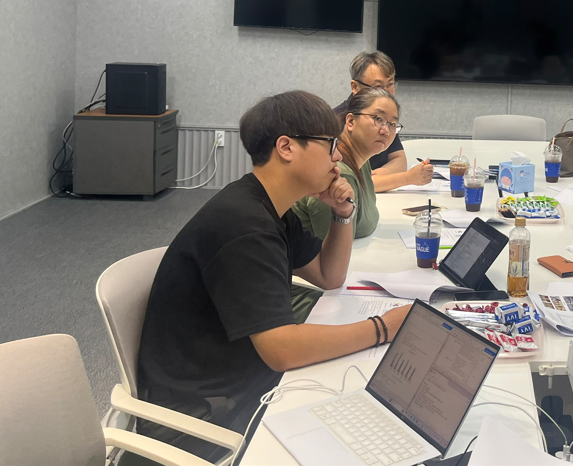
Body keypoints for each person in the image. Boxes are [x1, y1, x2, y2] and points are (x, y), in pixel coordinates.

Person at [131, 91, 412, 462]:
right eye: (330, 145)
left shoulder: (270, 207)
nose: (338, 156)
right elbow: (282, 351)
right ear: (286, 147)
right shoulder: (244, 225)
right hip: (204, 413)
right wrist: (384, 327)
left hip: (240, 374)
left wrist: (342, 214)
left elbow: (329, 276)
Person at [293, 86, 403, 239]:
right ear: (350, 121)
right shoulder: (337, 172)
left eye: (392, 124)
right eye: (378, 119)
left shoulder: (362, 162)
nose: (386, 131)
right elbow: (331, 252)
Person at [339, 50, 433, 191]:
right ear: (355, 87)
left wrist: (382, 174)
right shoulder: (334, 123)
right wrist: (408, 178)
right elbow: (348, 182)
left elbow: (399, 159)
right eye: (378, 87)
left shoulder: (387, 115)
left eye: (390, 84)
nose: (386, 92)